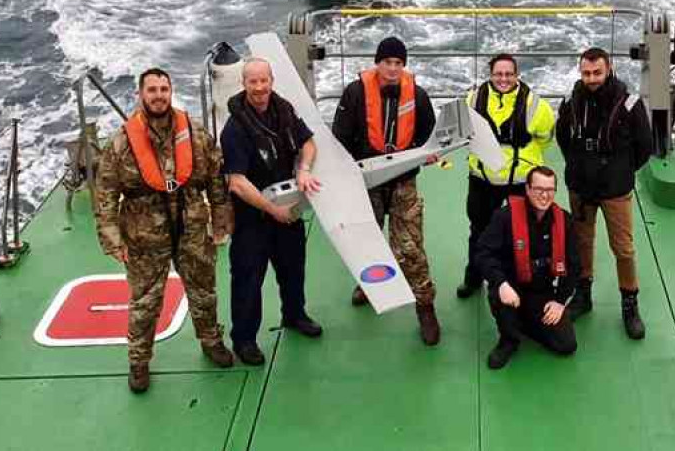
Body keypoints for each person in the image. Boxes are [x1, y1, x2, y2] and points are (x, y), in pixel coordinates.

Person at [94, 67, 234, 394]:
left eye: (164, 89)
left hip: (192, 225)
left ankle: (211, 340)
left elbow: (215, 177)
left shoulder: (195, 133)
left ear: (171, 92)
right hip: (144, 233)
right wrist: (112, 238)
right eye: (152, 90)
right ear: (141, 94)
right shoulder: (121, 143)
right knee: (145, 300)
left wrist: (220, 221)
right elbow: (106, 193)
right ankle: (139, 361)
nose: (158, 95)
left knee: (204, 289)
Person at [331, 36, 441, 345]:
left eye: (398, 63)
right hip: (367, 182)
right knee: (366, 238)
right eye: (387, 62)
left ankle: (426, 307)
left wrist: (427, 154)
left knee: (411, 248)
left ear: (403, 66)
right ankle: (368, 284)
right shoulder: (354, 94)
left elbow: (428, 135)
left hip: (403, 182)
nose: (392, 69)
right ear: (377, 63)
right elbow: (340, 136)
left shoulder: (417, 96)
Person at [220, 58, 323, 367]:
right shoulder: (234, 129)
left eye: (264, 80)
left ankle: (294, 315)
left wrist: (304, 170)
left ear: (271, 81)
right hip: (253, 217)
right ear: (244, 84)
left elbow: (308, 142)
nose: (260, 87)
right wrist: (271, 209)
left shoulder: (284, 110)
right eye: (253, 82)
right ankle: (245, 340)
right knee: (248, 279)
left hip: (286, 210)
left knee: (294, 268)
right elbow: (237, 183)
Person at [555, 47, 653, 339]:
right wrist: (578, 164)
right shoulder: (572, 101)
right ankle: (584, 295)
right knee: (582, 242)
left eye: (597, 72)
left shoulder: (629, 103)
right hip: (581, 186)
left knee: (623, 248)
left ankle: (629, 303)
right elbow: (563, 137)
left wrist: (620, 171)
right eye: (586, 73)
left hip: (615, 189)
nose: (592, 78)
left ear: (608, 69)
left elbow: (644, 147)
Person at [457, 54, 555, 299]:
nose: (503, 79)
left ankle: (522, 281)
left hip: (520, 182)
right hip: (483, 180)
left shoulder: (536, 106)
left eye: (509, 74)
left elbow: (545, 138)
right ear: (490, 75)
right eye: (498, 74)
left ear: (517, 75)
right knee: (479, 231)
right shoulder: (472, 100)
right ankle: (474, 277)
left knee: (523, 233)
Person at [475, 166, 579, 369]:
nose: (544, 195)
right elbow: (483, 253)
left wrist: (559, 301)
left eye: (550, 190)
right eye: (539, 189)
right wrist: (501, 283)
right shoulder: (505, 217)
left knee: (566, 345)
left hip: (541, 291)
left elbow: (574, 264)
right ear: (528, 190)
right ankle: (508, 340)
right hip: (510, 288)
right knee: (499, 297)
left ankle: (525, 320)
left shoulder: (564, 221)